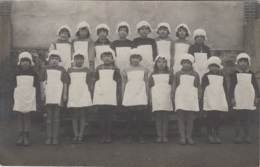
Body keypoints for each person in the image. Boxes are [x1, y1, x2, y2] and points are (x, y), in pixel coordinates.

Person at [92, 48, 122, 144]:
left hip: (111, 94)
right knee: (101, 115)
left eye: (109, 56)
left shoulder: (115, 69)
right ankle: (103, 134)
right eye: (104, 56)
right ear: (101, 58)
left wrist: (117, 95)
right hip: (101, 93)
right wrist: (94, 93)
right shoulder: (98, 68)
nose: (106, 58)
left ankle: (109, 134)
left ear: (113, 58)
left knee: (109, 115)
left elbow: (119, 83)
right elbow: (94, 81)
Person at [229, 53, 260, 144]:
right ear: (237, 63)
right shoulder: (235, 73)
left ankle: (247, 135)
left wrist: (256, 97)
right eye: (241, 61)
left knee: (247, 116)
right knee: (238, 116)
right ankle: (238, 135)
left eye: (245, 62)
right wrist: (232, 97)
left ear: (248, 63)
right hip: (238, 96)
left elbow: (255, 86)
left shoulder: (251, 73)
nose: (243, 63)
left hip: (248, 96)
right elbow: (232, 86)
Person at [172, 53, 201, 145]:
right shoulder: (177, 74)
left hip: (191, 98)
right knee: (181, 118)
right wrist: (173, 97)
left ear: (191, 64)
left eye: (188, 63)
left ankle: (189, 136)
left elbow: (198, 87)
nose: (186, 65)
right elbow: (174, 86)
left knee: (190, 118)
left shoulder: (195, 74)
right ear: (181, 64)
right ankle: (182, 137)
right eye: (184, 63)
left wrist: (199, 97)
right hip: (180, 98)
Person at [40, 50, 68, 145]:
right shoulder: (45, 69)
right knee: (49, 117)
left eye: (56, 59)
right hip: (48, 94)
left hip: (57, 95)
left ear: (59, 60)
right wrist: (42, 94)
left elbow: (65, 83)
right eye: (52, 59)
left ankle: (55, 138)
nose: (54, 61)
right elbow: (41, 81)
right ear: (49, 60)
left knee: (56, 117)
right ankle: (49, 137)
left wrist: (64, 95)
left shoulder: (62, 70)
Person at [122, 48, 149, 144]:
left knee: (140, 117)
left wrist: (147, 94)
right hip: (129, 94)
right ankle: (129, 135)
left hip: (140, 94)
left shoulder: (145, 69)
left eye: (137, 58)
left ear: (140, 59)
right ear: (130, 59)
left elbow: (146, 82)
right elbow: (124, 83)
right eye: (133, 58)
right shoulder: (126, 69)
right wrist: (123, 95)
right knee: (129, 117)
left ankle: (140, 135)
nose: (135, 60)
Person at [13, 52, 40, 146]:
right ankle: (21, 136)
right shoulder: (16, 73)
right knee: (20, 116)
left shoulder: (34, 73)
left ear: (30, 62)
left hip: (29, 97)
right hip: (19, 97)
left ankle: (26, 136)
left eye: (27, 61)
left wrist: (37, 100)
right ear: (20, 62)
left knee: (28, 117)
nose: (25, 63)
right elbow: (13, 86)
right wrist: (13, 99)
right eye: (23, 61)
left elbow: (37, 87)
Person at [67, 50, 93, 144]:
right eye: (77, 59)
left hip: (83, 92)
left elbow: (89, 83)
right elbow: (68, 82)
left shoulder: (87, 70)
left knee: (82, 115)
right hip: (73, 92)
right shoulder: (70, 70)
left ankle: (81, 134)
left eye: (81, 59)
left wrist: (89, 94)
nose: (78, 61)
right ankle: (75, 134)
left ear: (83, 60)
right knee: (74, 115)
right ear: (74, 59)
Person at [201, 56, 228, 144]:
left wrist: (225, 97)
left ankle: (216, 133)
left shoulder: (222, 76)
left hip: (218, 98)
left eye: (216, 66)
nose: (214, 68)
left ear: (219, 67)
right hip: (209, 99)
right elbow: (203, 88)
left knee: (218, 117)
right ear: (209, 67)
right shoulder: (206, 76)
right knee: (210, 117)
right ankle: (210, 134)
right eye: (212, 66)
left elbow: (224, 88)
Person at [149, 55, 173, 143]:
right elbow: (150, 86)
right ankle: (159, 135)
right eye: (159, 62)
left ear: (166, 64)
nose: (161, 64)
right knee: (158, 117)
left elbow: (172, 85)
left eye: (163, 62)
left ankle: (165, 135)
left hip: (166, 97)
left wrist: (171, 96)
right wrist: (151, 98)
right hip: (157, 97)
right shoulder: (153, 74)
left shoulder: (170, 74)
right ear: (156, 63)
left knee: (165, 117)